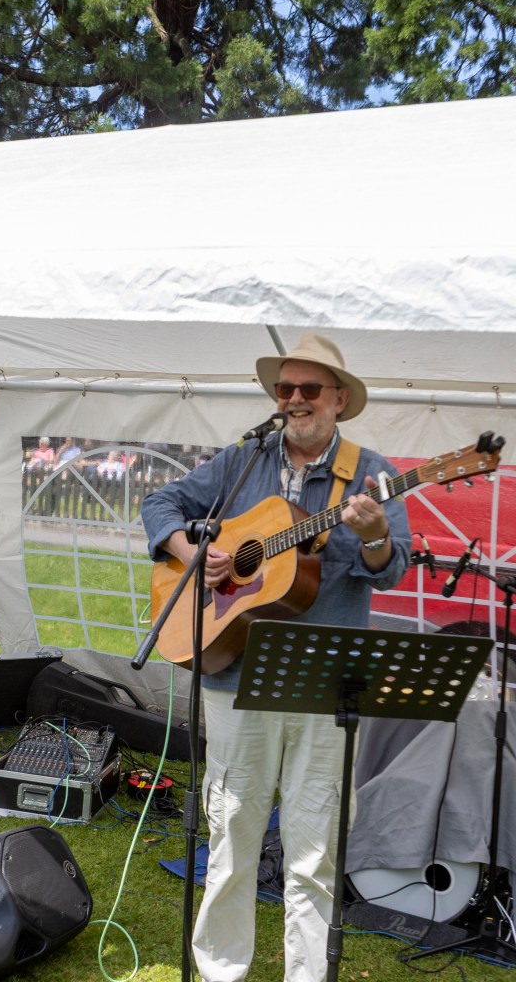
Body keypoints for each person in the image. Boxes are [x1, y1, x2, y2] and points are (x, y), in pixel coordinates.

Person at [142, 334, 410, 982]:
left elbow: (391, 566)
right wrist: (193, 552)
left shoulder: (370, 473)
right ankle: (220, 970)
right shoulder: (246, 458)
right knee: (231, 835)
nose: (293, 399)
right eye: (284, 388)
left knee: (313, 851)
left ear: (339, 400)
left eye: (308, 389)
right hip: (234, 676)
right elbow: (160, 502)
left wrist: (374, 536)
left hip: (323, 684)